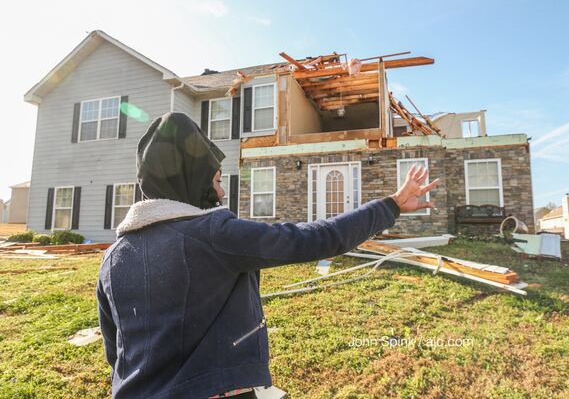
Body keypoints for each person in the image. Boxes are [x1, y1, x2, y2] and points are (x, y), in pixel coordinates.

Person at [97, 112, 439, 398]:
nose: (220, 190)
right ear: (194, 181)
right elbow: (317, 239)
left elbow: (117, 354)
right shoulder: (213, 234)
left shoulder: (112, 260)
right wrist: (392, 204)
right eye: (216, 180)